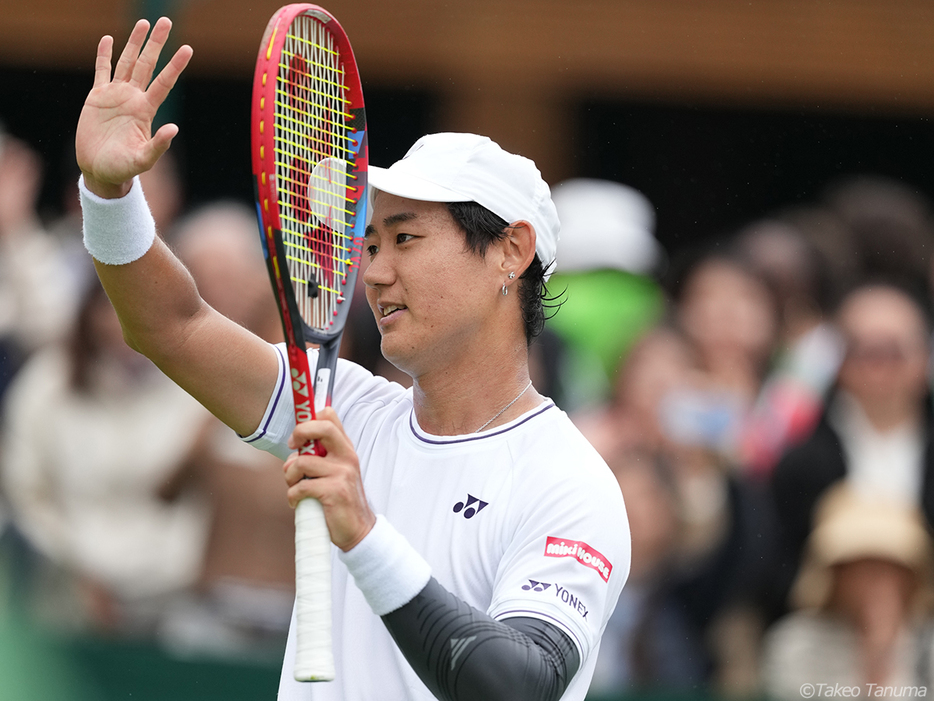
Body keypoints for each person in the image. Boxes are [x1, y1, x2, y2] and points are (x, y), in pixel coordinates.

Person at [74, 17, 629, 701]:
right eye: (369, 244)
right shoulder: (348, 408)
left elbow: (516, 684)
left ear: (510, 251)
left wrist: (362, 531)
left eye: (406, 239)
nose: (375, 272)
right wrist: (108, 194)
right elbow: (170, 325)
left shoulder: (571, 483)